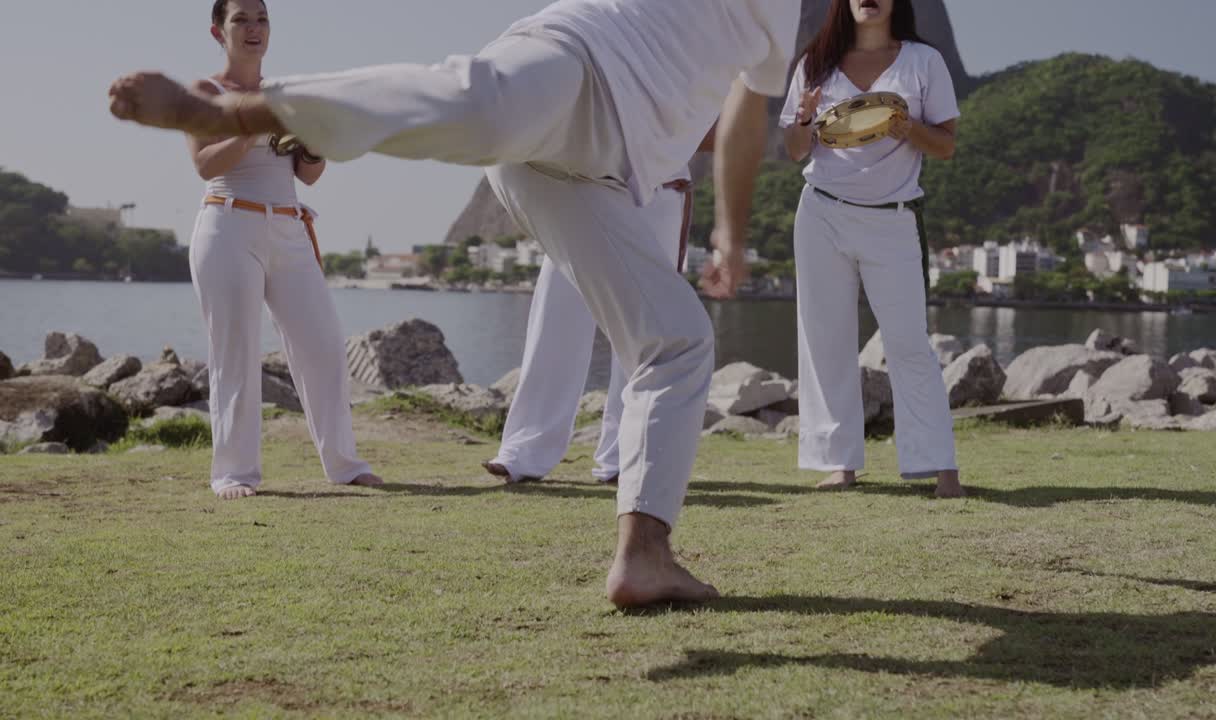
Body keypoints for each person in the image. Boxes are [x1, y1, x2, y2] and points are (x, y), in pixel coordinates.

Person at [109, 0, 801, 607]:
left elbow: (748, 107)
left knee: (679, 339)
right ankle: (236, 110)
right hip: (580, 63)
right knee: (484, 103)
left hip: (604, 168)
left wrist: (731, 233)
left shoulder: (782, 11)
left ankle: (644, 554)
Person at [185, 0, 381, 500]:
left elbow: (307, 173)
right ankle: (234, 473)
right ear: (218, 31)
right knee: (236, 353)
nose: (254, 29)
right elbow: (205, 163)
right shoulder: (206, 92)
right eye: (241, 20)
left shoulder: (286, 92)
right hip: (227, 225)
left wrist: (314, 142)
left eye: (262, 19)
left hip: (290, 227)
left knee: (324, 345)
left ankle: (344, 464)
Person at [779, 0, 964, 497]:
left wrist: (905, 128)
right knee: (824, 338)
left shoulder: (923, 62)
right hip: (821, 212)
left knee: (907, 342)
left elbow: (946, 145)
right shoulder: (814, 63)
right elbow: (796, 149)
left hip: (893, 217)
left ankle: (940, 465)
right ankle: (839, 464)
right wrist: (803, 118)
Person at [483, 167, 692, 487]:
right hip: (585, 189)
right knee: (556, 320)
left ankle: (622, 458)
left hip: (659, 189)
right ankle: (524, 451)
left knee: (642, 334)